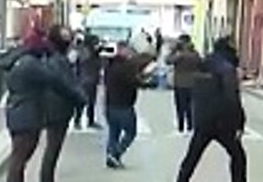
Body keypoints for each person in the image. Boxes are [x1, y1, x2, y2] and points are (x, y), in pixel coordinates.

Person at [173, 37, 263, 182]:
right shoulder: (227, 69)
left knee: (192, 157)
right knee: (238, 156)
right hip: (222, 121)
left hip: (202, 119)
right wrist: (239, 121)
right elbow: (232, 98)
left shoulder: (203, 63)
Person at [1, 27, 87, 182]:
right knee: (21, 155)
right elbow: (57, 82)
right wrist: (80, 98)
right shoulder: (33, 65)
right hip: (27, 112)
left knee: (20, 155)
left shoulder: (19, 62)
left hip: (17, 110)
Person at [102, 41, 156, 169]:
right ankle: (116, 154)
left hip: (110, 104)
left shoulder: (109, 67)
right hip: (124, 105)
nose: (130, 53)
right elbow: (134, 82)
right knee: (130, 132)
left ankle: (110, 155)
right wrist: (148, 81)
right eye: (127, 50)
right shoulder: (125, 67)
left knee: (113, 132)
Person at [166, 34, 202, 132]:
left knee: (180, 106)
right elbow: (200, 64)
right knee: (190, 106)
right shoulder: (195, 53)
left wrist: (173, 51)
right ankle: (190, 126)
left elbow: (168, 60)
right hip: (193, 83)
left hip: (180, 83)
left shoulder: (180, 54)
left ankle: (181, 126)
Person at [73, 33, 103, 130]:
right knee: (82, 101)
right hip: (84, 80)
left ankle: (90, 121)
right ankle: (77, 121)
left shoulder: (92, 52)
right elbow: (83, 60)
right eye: (95, 42)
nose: (97, 44)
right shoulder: (83, 51)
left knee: (91, 102)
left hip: (91, 79)